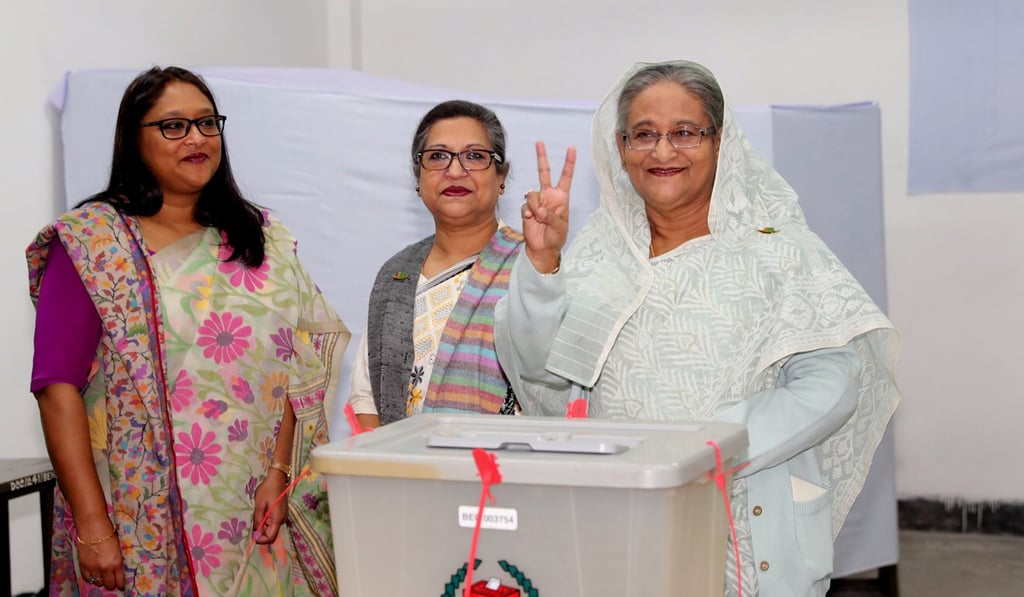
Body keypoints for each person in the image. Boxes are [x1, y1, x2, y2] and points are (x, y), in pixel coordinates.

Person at [495, 60, 901, 597]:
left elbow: (831, 385)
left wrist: (707, 445)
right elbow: (536, 372)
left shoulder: (777, 249)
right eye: (644, 135)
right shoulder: (597, 254)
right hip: (618, 520)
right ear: (621, 148)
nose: (663, 152)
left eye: (685, 133)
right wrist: (544, 264)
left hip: (743, 525)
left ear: (719, 141)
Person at [27, 66, 349, 596]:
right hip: (137, 522)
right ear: (135, 140)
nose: (196, 138)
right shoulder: (92, 243)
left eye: (206, 123)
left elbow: (300, 362)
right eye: (173, 126)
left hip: (255, 515)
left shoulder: (261, 237)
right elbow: (56, 386)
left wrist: (278, 473)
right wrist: (92, 525)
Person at [348, 100, 523, 429]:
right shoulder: (395, 275)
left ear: (502, 176)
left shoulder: (532, 267)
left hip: (500, 472)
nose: (455, 171)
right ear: (418, 176)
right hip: (399, 472)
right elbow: (367, 394)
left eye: (474, 156)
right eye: (438, 156)